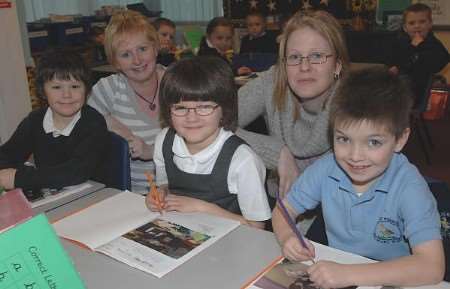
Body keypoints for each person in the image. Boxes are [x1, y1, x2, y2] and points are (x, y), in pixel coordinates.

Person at [272, 67, 445, 288]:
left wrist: (349, 274)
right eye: (343, 139)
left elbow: (432, 267)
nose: (355, 156)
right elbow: (282, 211)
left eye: (373, 142)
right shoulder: (327, 168)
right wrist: (288, 237)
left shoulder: (410, 187)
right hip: (339, 273)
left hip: (390, 279)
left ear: (400, 139)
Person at [146, 56, 271, 229]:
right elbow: (165, 184)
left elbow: (257, 227)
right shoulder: (164, 141)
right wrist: (160, 194)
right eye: (180, 108)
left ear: (224, 109)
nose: (191, 118)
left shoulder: (243, 160)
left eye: (204, 107)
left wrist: (201, 208)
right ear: (168, 110)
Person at [237, 10, 349, 197]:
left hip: (337, 212)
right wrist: (278, 153)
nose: (304, 67)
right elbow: (212, 120)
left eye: (317, 56)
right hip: (279, 205)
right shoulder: (272, 81)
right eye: (295, 57)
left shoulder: (356, 103)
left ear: (337, 65)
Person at [0, 51, 108, 194]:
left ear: (87, 91)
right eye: (57, 87)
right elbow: (7, 154)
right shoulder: (35, 120)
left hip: (94, 197)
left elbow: (75, 172)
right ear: (43, 91)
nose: (67, 95)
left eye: (75, 87)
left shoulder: (94, 123)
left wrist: (18, 177)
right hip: (52, 196)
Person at [88, 10, 165, 193]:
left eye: (142, 49)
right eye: (126, 54)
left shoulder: (178, 84)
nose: (137, 60)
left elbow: (196, 144)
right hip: (127, 194)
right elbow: (81, 129)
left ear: (155, 48)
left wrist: (150, 150)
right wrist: (109, 124)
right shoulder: (108, 89)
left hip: (178, 192)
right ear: (115, 62)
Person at [387, 3, 449, 107]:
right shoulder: (401, 43)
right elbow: (395, 61)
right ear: (405, 28)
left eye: (422, 22)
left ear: (430, 24)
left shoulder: (432, 43)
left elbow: (442, 60)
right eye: (411, 23)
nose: (417, 26)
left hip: (419, 90)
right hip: (398, 87)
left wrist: (420, 46)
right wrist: (393, 67)